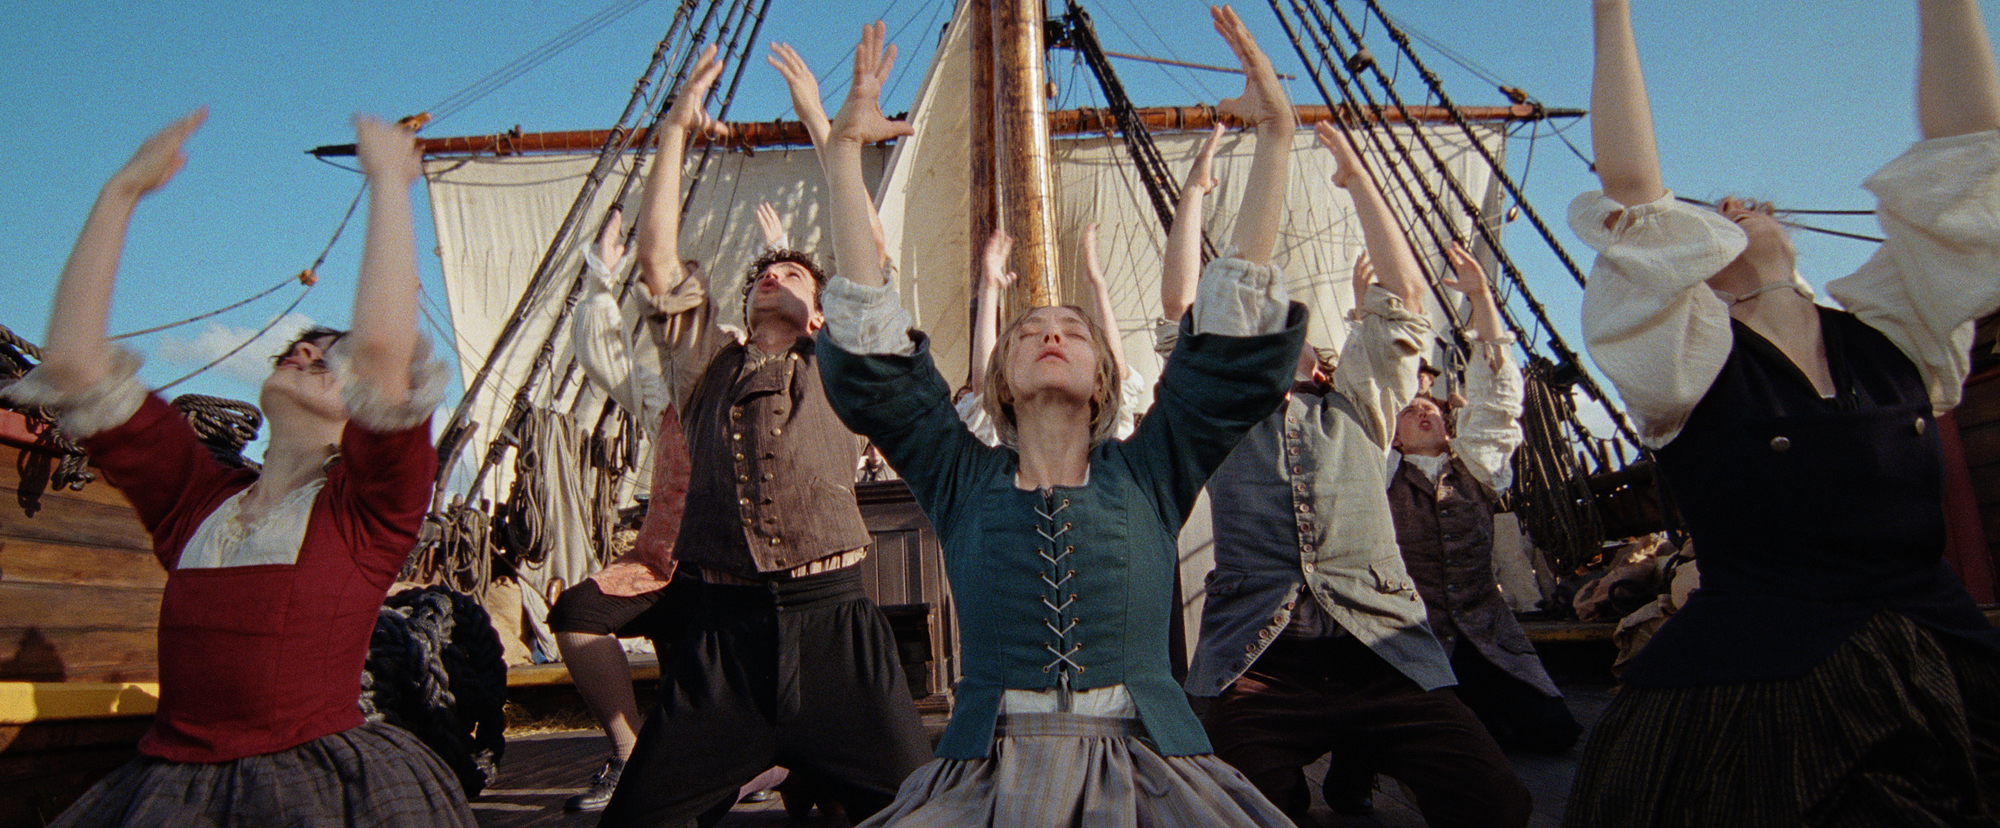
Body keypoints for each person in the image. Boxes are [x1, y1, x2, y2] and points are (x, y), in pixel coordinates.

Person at [809, 10, 1303, 824]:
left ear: (1105, 375)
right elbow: (875, 354)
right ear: (999, 374)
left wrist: (1278, 140)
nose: (1050, 331)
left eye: (1073, 330)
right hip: (988, 774)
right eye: (1030, 328)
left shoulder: (1152, 470)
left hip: (1151, 766)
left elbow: (1227, 347)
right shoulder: (958, 477)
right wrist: (842, 155)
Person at [1565, 1, 2000, 824]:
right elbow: (1630, 188)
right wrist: (1611, 10)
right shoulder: (1686, 365)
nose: (1737, 204)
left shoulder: (1899, 331)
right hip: (1757, 696)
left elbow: (1970, 154)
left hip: (1946, 664)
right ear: (1692, 266)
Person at [5, 112, 469, 826]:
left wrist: (387, 182)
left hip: (320, 788)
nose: (310, 352)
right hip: (170, 788)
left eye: (330, 354)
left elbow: (382, 354)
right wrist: (120, 192)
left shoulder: (369, 510)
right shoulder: (194, 500)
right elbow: (71, 365)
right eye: (301, 346)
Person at [579, 42, 931, 828]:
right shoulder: (706, 366)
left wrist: (824, 124)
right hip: (722, 644)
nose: (774, 274)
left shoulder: (841, 367)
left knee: (920, 813)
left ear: (819, 313)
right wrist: (674, 130)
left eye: (796, 275)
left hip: (837, 630)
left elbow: (867, 257)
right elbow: (659, 262)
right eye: (762, 274)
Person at [1186, 121, 1531, 828]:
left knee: (1498, 805)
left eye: (1287, 332)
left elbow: (1403, 301)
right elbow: (1180, 316)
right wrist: (1195, 198)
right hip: (1261, 665)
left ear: (1317, 360)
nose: (1268, 336)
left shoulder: (1362, 409)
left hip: (1384, 655)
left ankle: (1362, 762)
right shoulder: (1217, 420)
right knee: (1242, 814)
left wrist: (1358, 182)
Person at [1384, 241, 1582, 756]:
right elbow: (1374, 394)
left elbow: (1497, 400)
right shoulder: (1380, 480)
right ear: (1395, 438)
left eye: (1432, 407)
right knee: (1463, 742)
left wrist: (1482, 300)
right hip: (1417, 643)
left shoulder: (1475, 471)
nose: (1425, 411)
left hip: (1488, 641)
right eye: (1411, 411)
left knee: (1555, 732)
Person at [958, 222, 1149, 446]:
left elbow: (1116, 375)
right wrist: (989, 289)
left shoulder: (1116, 458)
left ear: (1100, 384)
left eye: (1075, 334)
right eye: (1028, 333)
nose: (1051, 336)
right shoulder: (993, 454)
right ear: (1004, 388)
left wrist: (1098, 285)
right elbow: (985, 389)